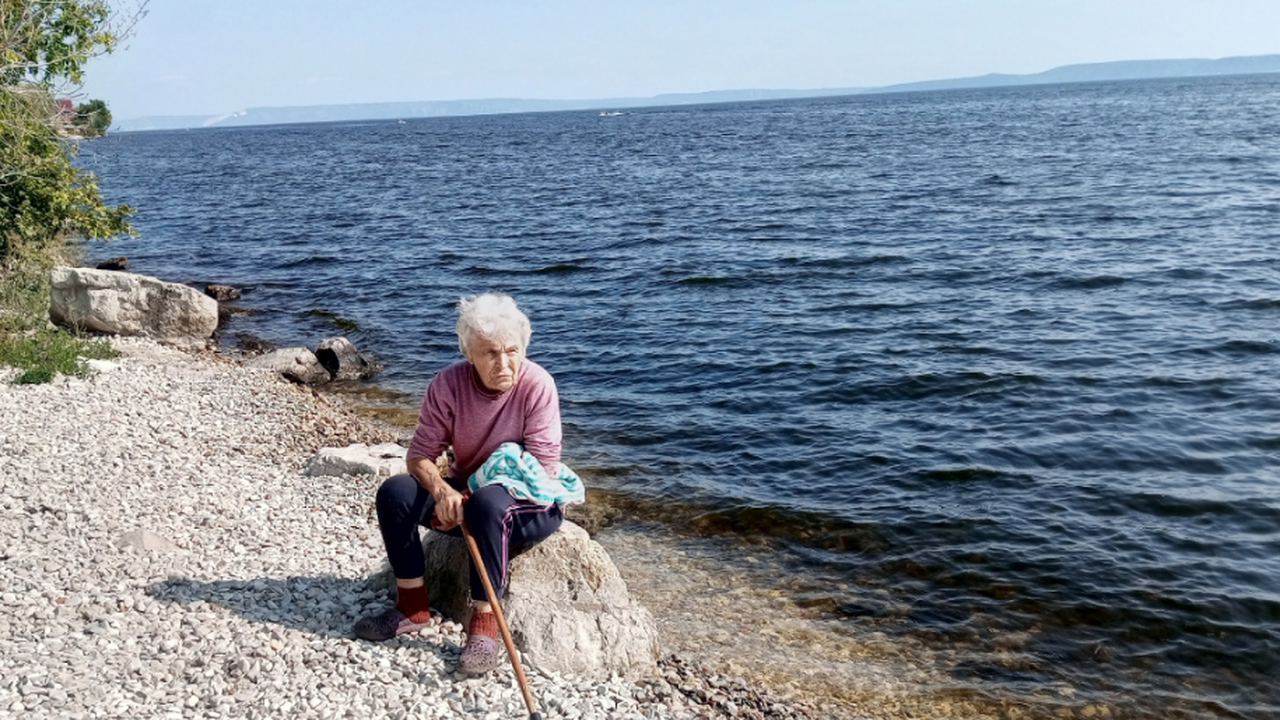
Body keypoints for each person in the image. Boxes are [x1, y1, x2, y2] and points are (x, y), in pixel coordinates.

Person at [354, 293, 582, 674]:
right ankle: (412, 607)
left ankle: (484, 628)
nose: (505, 362)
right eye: (491, 353)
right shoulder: (448, 384)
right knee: (395, 493)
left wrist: (467, 497)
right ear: (470, 354)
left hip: (529, 499)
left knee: (486, 505)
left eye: (512, 351)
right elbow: (419, 456)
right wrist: (443, 491)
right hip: (466, 490)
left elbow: (541, 468)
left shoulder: (538, 385)